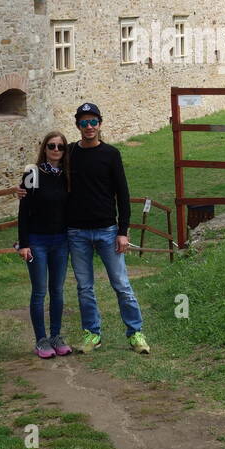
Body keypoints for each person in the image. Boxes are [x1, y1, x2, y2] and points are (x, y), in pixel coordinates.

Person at [66, 102, 149, 354]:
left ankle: (135, 333)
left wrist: (123, 231)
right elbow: (47, 174)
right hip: (77, 232)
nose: (89, 127)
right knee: (84, 287)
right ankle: (92, 334)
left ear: (100, 124)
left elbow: (122, 194)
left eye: (93, 122)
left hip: (106, 230)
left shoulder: (111, 154)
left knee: (121, 284)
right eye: (83, 122)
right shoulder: (69, 152)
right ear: (77, 126)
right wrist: (26, 187)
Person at [15, 131, 73, 358]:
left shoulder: (68, 175)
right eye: (51, 146)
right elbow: (24, 210)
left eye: (60, 147)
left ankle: (56, 336)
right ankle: (41, 340)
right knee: (39, 291)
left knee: (57, 291)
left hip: (60, 240)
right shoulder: (33, 173)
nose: (56, 150)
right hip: (37, 240)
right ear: (44, 149)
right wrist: (24, 243)